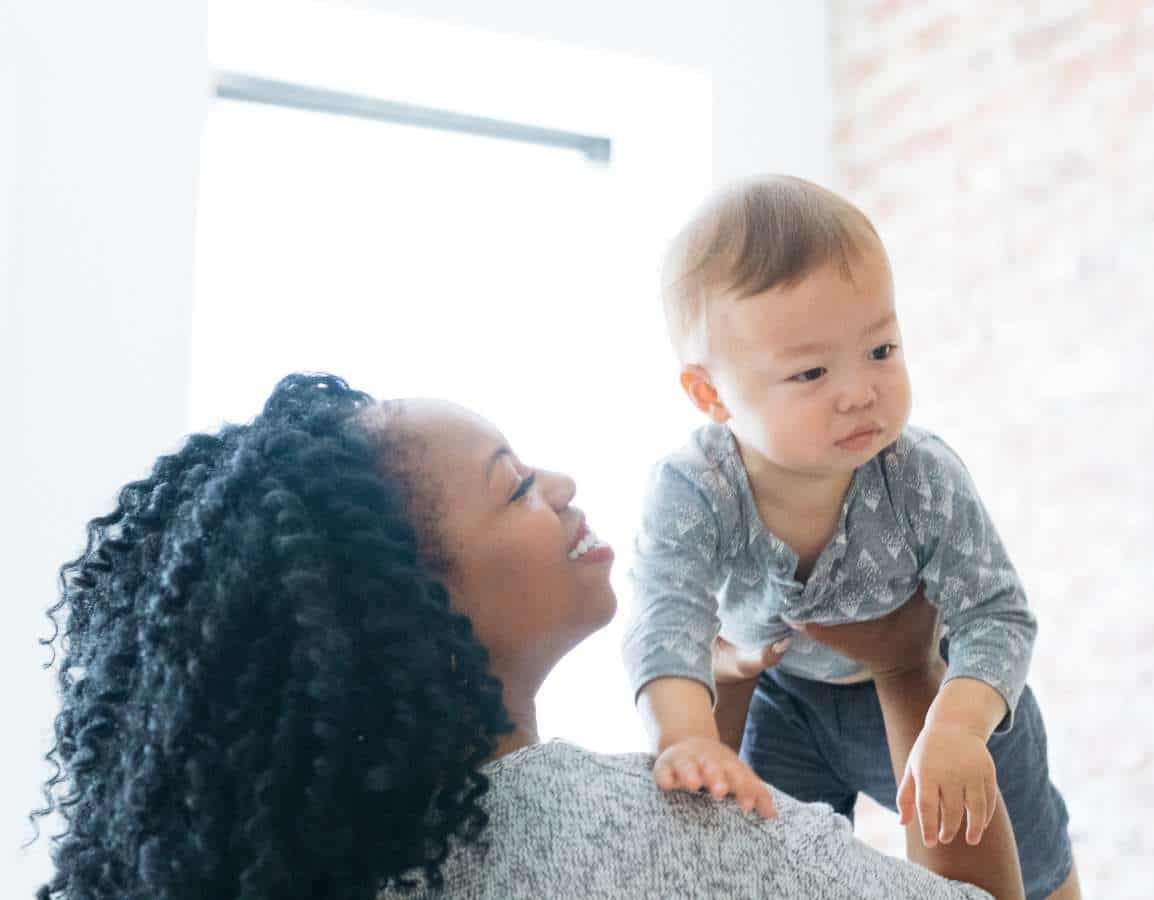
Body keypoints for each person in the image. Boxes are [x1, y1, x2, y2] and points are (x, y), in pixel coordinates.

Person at [32, 373, 1023, 900]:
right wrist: (907, 677)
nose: (561, 487)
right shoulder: (665, 837)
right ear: (419, 611)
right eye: (514, 485)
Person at [622, 175, 1078, 899]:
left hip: (947, 695)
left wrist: (960, 724)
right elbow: (665, 614)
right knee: (774, 868)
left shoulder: (920, 475)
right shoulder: (695, 486)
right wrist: (684, 735)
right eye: (811, 372)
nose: (861, 390)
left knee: (1031, 873)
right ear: (711, 396)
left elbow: (996, 613)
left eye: (881, 350)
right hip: (787, 699)